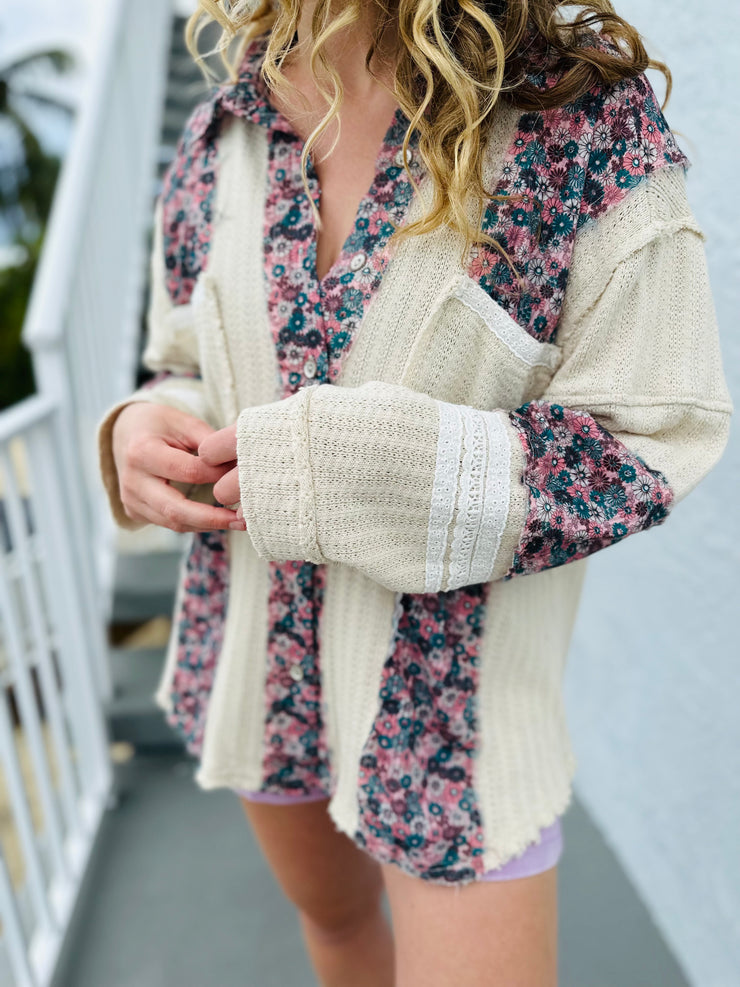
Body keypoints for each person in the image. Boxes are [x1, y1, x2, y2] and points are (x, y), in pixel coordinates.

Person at [96, 1, 733, 984]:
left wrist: (350, 470)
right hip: (263, 658)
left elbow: (650, 436)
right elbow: (184, 354)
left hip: (452, 717)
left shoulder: (571, 120)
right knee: (341, 936)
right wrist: (144, 430)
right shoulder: (226, 118)